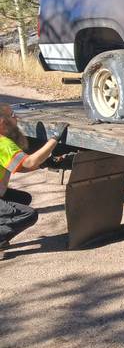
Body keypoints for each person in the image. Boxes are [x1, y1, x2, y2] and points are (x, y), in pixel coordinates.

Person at [0, 104, 68, 251]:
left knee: (23, 199)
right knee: (28, 214)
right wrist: (54, 139)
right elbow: (29, 162)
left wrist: (44, 163)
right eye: (12, 116)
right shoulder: (2, 143)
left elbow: (20, 166)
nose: (16, 118)